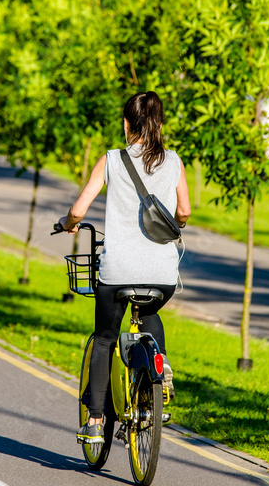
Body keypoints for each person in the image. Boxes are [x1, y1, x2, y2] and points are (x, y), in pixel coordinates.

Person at [58, 91, 191, 444]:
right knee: (149, 314)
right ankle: (161, 369)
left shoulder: (111, 160)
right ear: (159, 124)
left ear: (126, 123)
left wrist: (68, 222)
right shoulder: (175, 161)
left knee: (104, 338)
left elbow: (79, 209)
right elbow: (185, 213)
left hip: (117, 273)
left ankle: (98, 422)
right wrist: (173, 221)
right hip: (162, 275)